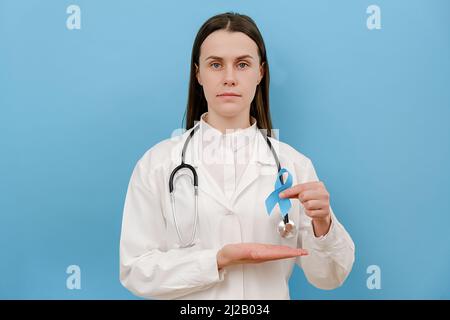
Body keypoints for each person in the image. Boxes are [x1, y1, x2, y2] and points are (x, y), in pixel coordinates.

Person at [119, 12, 355, 300]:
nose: (229, 78)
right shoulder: (157, 164)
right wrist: (217, 260)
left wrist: (323, 224)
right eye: (216, 65)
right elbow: (135, 270)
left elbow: (328, 277)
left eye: (242, 64)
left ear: (260, 72)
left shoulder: (294, 166)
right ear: (198, 74)